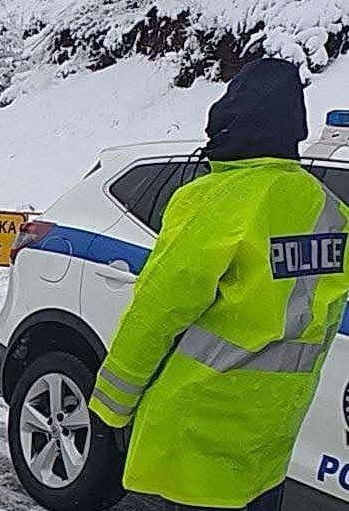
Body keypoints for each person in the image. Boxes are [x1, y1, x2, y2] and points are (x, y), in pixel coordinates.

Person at [89, 58, 349, 511]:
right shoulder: (331, 212)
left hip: (192, 435)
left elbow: (160, 308)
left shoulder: (213, 200)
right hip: (268, 443)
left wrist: (111, 406)